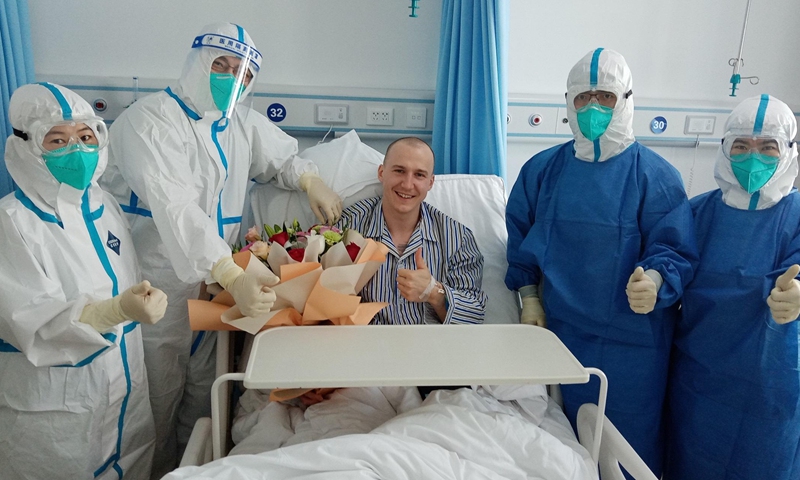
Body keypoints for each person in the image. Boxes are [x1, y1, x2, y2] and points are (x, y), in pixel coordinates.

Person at [99, 22, 342, 476]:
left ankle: (193, 472)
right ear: (197, 64)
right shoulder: (149, 121)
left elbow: (283, 159)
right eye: (222, 66)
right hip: (157, 280)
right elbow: (176, 209)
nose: (233, 78)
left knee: (204, 389)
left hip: (215, 286)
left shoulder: (242, 124)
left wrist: (311, 180)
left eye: (245, 73)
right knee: (156, 392)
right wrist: (232, 274)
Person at [504, 48, 698, 477]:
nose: (594, 108)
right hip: (559, 336)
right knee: (559, 449)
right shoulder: (542, 171)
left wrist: (656, 281)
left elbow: (675, 249)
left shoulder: (655, 176)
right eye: (583, 98)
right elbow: (520, 239)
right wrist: (530, 297)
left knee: (625, 448)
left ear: (627, 100)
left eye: (606, 97)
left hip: (633, 346)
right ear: (568, 103)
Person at [0, 83, 167, 479]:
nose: (77, 149)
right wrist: (116, 310)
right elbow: (34, 324)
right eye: (57, 139)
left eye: (86, 136)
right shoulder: (13, 224)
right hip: (57, 415)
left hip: (124, 392)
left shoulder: (104, 206)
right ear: (27, 146)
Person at [666, 94, 800, 480]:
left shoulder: (795, 216)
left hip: (773, 385)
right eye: (740, 146)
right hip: (700, 381)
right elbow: (670, 259)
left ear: (788, 152)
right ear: (725, 149)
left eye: (767, 147)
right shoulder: (697, 212)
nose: (752, 156)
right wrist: (655, 278)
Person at [336, 136, 486, 325]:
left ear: (430, 183)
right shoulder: (346, 228)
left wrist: (435, 292)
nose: (407, 184)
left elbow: (474, 317)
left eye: (419, 175)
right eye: (399, 171)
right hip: (364, 345)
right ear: (382, 173)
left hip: (432, 348)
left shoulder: (458, 238)